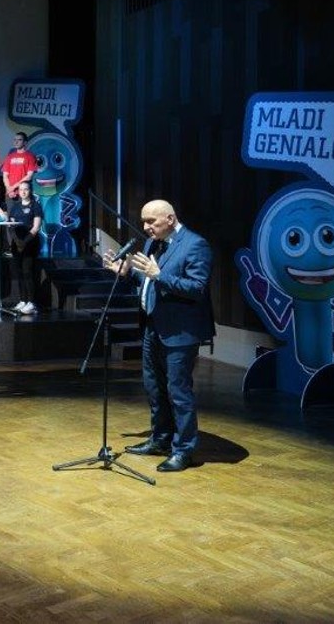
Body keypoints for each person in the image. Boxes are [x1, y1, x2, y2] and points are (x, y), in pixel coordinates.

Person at [105, 199, 214, 472]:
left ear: (170, 219)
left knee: (178, 392)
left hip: (180, 332)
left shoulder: (195, 245)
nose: (145, 227)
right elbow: (147, 282)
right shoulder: (154, 243)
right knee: (154, 387)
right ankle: (161, 439)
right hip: (152, 327)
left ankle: (183, 450)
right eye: (144, 221)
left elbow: (197, 288)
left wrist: (159, 274)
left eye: (151, 221)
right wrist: (126, 274)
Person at [8, 181, 43, 315]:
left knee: (28, 272)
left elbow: (36, 227)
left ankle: (31, 303)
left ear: (30, 191)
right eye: (21, 189)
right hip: (16, 244)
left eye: (26, 189)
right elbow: (11, 226)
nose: (23, 192)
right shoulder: (15, 207)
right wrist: (17, 241)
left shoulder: (36, 206)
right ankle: (23, 300)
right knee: (19, 272)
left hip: (30, 243)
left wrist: (24, 242)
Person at [1, 131, 36, 198]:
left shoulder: (30, 156)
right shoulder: (10, 156)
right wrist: (9, 189)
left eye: (19, 140)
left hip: (23, 193)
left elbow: (29, 176)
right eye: (15, 140)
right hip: (10, 193)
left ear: (25, 142)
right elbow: (5, 175)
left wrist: (13, 187)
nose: (16, 142)